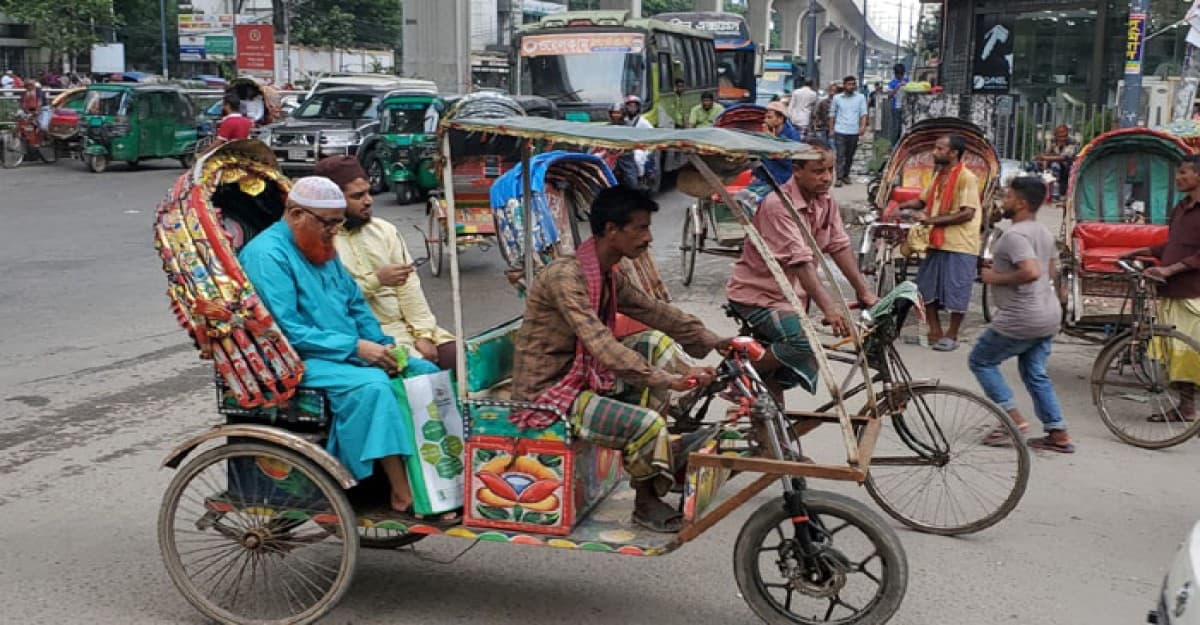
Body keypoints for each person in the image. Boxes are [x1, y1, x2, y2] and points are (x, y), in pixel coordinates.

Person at [511, 186, 726, 533]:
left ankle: (668, 437)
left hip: (581, 374)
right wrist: (662, 379)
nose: (648, 237)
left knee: (654, 341)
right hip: (549, 390)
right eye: (640, 228)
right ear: (612, 230)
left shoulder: (608, 271)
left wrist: (714, 340)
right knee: (647, 424)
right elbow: (600, 343)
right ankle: (646, 501)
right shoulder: (566, 277)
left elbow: (652, 310)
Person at [238, 176, 446, 517]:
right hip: (295, 359)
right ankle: (398, 490)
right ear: (296, 215)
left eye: (338, 223)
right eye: (329, 223)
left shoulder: (319, 245)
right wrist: (357, 348)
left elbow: (355, 305)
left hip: (343, 350)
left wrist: (383, 346)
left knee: (420, 370)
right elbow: (287, 330)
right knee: (374, 386)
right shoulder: (267, 255)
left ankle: (434, 475)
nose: (335, 230)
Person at [727, 141, 878, 403]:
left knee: (775, 379)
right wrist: (830, 309)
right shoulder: (778, 206)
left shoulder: (825, 200)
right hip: (759, 296)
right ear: (797, 171)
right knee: (804, 343)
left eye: (830, 170)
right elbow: (801, 262)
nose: (827, 178)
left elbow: (839, 245)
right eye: (818, 171)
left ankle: (773, 436)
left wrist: (864, 291)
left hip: (792, 297)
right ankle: (735, 375)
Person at [315, 155, 459, 371]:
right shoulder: (319, 242)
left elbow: (410, 287)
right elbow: (329, 302)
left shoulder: (383, 230)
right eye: (357, 196)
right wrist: (377, 281)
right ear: (333, 201)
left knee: (467, 361)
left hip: (410, 328)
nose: (368, 200)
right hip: (368, 337)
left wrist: (424, 334)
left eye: (368, 192)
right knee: (421, 375)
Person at [970, 177, 1073, 453]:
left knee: (980, 360)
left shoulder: (1015, 235)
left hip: (1022, 316)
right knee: (1034, 372)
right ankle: (1057, 432)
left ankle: (1011, 421)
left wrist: (994, 276)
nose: (1004, 200)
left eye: (1009, 196)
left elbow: (1031, 271)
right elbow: (1049, 272)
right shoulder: (1043, 232)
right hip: (1048, 313)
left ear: (1022, 203)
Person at [1121, 155, 1200, 424]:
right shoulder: (1181, 208)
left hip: (1193, 292)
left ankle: (1188, 408)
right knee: (1177, 355)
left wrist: (1169, 269)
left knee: (1189, 354)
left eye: (1184, 173)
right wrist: (1142, 251)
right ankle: (1186, 407)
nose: (1178, 177)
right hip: (1172, 292)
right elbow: (1174, 245)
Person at [895, 135, 983, 351]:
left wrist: (929, 219)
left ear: (953, 153)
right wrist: (901, 204)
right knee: (927, 288)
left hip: (960, 242)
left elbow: (967, 213)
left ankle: (952, 335)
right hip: (936, 241)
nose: (934, 152)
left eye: (939, 148)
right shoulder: (938, 176)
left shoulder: (966, 177)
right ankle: (934, 331)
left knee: (957, 290)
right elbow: (923, 201)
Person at [828, 76, 868, 187]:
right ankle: (839, 177)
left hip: (853, 131)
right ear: (844, 85)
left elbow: (863, 113)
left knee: (850, 155)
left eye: (853, 84)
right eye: (849, 84)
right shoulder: (837, 98)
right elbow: (832, 114)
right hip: (840, 130)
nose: (851, 86)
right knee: (840, 154)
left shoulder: (860, 98)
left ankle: (846, 175)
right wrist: (831, 129)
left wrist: (863, 126)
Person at [756, 101, 802, 187]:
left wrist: (772, 141)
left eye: (769, 117)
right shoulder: (765, 132)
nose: (766, 120)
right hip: (764, 179)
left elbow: (790, 162)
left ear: (780, 119)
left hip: (782, 181)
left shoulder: (792, 136)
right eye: (765, 117)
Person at [1033, 125, 1078, 199]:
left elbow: (1064, 157)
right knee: (1036, 164)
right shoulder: (1052, 140)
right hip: (1053, 162)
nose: (1062, 138)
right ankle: (1041, 189)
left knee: (1055, 165)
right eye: (1060, 136)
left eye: (1064, 136)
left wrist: (1045, 157)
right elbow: (1047, 153)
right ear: (1056, 135)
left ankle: (1055, 193)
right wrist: (1043, 164)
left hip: (1067, 166)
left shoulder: (1072, 141)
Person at [810, 83, 839, 156]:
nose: (832, 92)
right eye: (831, 90)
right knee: (824, 146)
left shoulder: (839, 103)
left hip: (837, 128)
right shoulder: (823, 102)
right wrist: (816, 125)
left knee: (833, 146)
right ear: (828, 91)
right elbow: (817, 114)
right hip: (824, 128)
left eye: (834, 91)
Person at [886, 64, 908, 144]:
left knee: (905, 127)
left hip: (906, 107)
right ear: (895, 74)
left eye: (902, 74)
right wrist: (897, 86)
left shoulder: (907, 80)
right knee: (896, 127)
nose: (900, 76)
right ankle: (894, 144)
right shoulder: (892, 83)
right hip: (895, 107)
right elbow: (889, 96)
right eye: (898, 74)